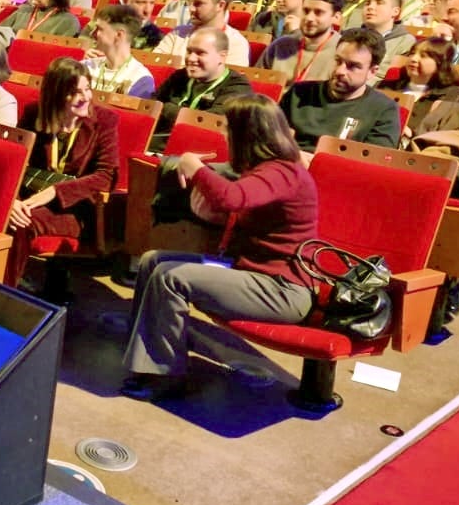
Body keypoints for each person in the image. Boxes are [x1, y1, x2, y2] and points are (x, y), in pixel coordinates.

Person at [122, 95, 318, 400]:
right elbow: (238, 207)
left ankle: (163, 374)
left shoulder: (283, 172)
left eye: (228, 129)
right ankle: (144, 352)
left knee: (172, 276)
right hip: (251, 272)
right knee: (152, 260)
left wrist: (195, 167)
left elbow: (231, 197)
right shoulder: (262, 168)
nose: (225, 136)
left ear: (247, 134)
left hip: (282, 289)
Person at [8, 58, 120, 304]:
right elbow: (13, 162)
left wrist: (55, 191)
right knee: (6, 214)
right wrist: (11, 201)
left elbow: (106, 176)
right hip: (32, 197)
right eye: (75, 92)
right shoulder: (34, 114)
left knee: (22, 223)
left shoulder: (104, 121)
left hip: (80, 208)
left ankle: (6, 296)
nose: (85, 97)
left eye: (87, 89)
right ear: (56, 94)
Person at [278, 27, 401, 155]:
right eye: (338, 61)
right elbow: (271, 140)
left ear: (372, 71)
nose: (339, 71)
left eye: (352, 66)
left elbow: (371, 163)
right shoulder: (299, 93)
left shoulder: (383, 110)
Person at [153, 27, 254, 133]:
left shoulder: (238, 87)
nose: (191, 58)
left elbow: (209, 122)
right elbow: (152, 105)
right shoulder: (180, 76)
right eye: (189, 51)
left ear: (222, 57)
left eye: (200, 53)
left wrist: (166, 108)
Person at [377, 37, 459, 134]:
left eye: (423, 56)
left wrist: (410, 133)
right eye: (412, 53)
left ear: (440, 63)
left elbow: (439, 131)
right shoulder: (386, 86)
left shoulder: (453, 94)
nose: (413, 59)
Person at [154, 0, 251, 66]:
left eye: (198, 4)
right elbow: (155, 68)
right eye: (190, 3)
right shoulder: (178, 34)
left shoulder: (235, 44)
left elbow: (229, 78)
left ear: (220, 5)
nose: (191, 9)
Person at [257, 0, 343, 83]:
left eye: (318, 12)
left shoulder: (342, 53)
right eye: (306, 11)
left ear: (336, 17)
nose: (309, 18)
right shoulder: (280, 45)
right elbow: (253, 83)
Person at [84, 4, 156, 97]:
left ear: (119, 35)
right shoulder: (86, 67)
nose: (92, 33)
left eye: (99, 29)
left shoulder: (140, 79)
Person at [360, 0, 416, 81]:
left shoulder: (405, 41)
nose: (370, 7)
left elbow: (391, 81)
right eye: (367, 3)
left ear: (395, 11)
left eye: (379, 3)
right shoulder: (351, 36)